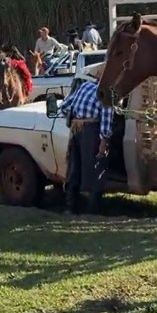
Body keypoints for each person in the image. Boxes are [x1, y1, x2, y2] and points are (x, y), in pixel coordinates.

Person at [58, 63, 114, 214]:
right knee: (96, 167)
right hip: (92, 131)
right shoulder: (106, 93)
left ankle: (70, 206)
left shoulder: (84, 87)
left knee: (74, 166)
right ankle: (92, 209)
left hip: (76, 129)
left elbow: (64, 107)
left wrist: (72, 117)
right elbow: (107, 118)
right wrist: (104, 140)